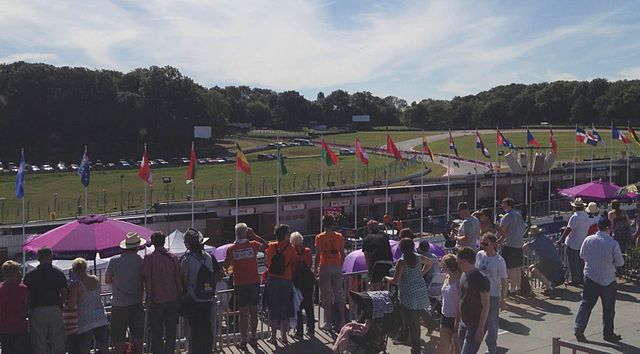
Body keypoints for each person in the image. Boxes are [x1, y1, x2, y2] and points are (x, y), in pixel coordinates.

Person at [574, 218, 625, 343]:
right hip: (607, 278)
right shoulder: (613, 244)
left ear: (598, 227)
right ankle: (608, 333)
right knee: (608, 308)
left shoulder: (588, 240)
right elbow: (620, 262)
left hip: (590, 276)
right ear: (609, 228)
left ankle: (579, 329)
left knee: (586, 304)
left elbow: (582, 255)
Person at [383, 238, 432, 354]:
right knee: (417, 318)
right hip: (420, 290)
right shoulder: (418, 257)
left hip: (408, 294)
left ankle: (416, 348)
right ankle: (417, 344)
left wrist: (386, 278)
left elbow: (395, 280)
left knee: (412, 323)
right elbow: (429, 263)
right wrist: (421, 273)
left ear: (401, 248)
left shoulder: (402, 261)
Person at [224, 223, 267, 350]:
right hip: (253, 282)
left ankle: (243, 340)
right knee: (254, 312)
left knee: (243, 314)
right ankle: (253, 337)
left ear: (235, 233)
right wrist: (253, 235)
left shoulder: (231, 248)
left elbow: (226, 266)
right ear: (246, 232)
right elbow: (266, 245)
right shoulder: (253, 245)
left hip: (240, 284)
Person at [181, 227, 222, 354]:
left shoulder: (186, 259)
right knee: (208, 327)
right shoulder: (209, 257)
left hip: (193, 299)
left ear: (187, 243)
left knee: (194, 328)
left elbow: (183, 279)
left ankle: (193, 351)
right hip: (208, 297)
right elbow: (218, 275)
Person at [142, 231, 183, 354]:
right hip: (173, 298)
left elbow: (147, 280)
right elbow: (178, 278)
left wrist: (148, 298)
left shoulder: (149, 259)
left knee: (156, 331)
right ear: (164, 241)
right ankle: (170, 351)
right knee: (171, 330)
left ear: (153, 243)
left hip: (156, 300)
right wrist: (179, 296)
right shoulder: (173, 257)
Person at [105, 232, 145, 354]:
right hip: (137, 302)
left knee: (119, 336)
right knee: (137, 335)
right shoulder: (141, 261)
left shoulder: (114, 261)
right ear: (138, 246)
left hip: (119, 304)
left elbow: (107, 280)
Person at [24, 247, 68, 354]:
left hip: (37, 309)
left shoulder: (30, 275)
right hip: (55, 308)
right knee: (58, 342)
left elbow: (25, 295)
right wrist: (60, 304)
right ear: (51, 256)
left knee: (39, 342)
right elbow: (65, 293)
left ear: (38, 258)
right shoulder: (59, 273)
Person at [67, 258, 109, 354]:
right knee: (103, 346)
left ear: (74, 270)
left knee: (85, 348)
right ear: (86, 267)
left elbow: (71, 304)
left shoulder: (76, 285)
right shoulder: (95, 279)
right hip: (100, 317)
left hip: (85, 320)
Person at [265, 224, 297, 346]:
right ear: (285, 235)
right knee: (285, 308)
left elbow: (268, 263)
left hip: (273, 280)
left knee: (274, 308)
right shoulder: (291, 248)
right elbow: (294, 263)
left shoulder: (271, 246)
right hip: (286, 280)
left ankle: (273, 337)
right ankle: (284, 336)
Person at [475, 233, 508, 354]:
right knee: (478, 320)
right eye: (481, 243)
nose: (483, 246)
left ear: (493, 244)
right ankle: (474, 344)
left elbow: (504, 281)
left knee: (492, 322)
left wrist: (503, 300)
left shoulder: (499, 261)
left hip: (493, 295)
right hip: (479, 293)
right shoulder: (479, 255)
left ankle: (491, 348)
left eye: (485, 243)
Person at [314, 214, 346, 331]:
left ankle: (328, 323)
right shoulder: (339, 236)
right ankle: (342, 321)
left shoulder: (319, 237)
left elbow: (318, 255)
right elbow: (342, 253)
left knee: (327, 296)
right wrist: (340, 266)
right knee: (339, 294)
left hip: (325, 266)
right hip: (336, 265)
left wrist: (315, 269)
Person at [456, 247, 490, 354]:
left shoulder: (481, 279)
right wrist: (457, 322)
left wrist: (480, 328)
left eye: (459, 262)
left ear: (465, 262)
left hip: (475, 324)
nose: (458, 265)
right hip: (463, 322)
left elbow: (486, 305)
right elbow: (461, 298)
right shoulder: (463, 275)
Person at [496, 197, 527, 294]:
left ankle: (512, 288)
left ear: (508, 205)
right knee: (517, 267)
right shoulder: (518, 214)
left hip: (509, 244)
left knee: (510, 268)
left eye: (503, 204)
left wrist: (498, 241)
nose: (502, 205)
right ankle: (518, 287)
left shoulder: (507, 216)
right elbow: (524, 227)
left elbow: (502, 230)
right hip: (518, 243)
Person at [558, 198, 590, 286]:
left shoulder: (575, 217)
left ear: (574, 208)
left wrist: (561, 240)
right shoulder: (586, 216)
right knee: (581, 263)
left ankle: (574, 280)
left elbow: (568, 229)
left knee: (573, 263)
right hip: (582, 242)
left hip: (572, 243)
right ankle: (581, 279)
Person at [0, 260, 29, 353]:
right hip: (20, 327)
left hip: (4, 327)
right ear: (17, 273)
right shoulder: (23, 289)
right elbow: (27, 305)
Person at [523, 225, 562, 295]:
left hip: (550, 262)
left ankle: (549, 285)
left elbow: (525, 247)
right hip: (554, 260)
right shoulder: (545, 237)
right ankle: (546, 282)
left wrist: (524, 243)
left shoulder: (537, 241)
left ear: (533, 235)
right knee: (531, 267)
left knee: (534, 270)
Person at [291, 231, 315, 339]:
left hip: (297, 283)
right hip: (308, 282)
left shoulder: (292, 254)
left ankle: (299, 332)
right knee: (309, 306)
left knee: (298, 307)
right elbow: (310, 264)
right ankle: (311, 330)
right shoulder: (308, 251)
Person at [437, 254, 462, 354]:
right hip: (445, 315)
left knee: (456, 346)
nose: (441, 266)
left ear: (448, 266)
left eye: (442, 264)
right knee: (443, 345)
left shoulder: (460, 280)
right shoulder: (447, 277)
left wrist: (457, 321)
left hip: (455, 317)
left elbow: (462, 302)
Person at [362, 219, 393, 290]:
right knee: (386, 288)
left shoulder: (367, 239)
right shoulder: (385, 236)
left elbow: (366, 256)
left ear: (369, 228)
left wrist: (369, 270)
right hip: (389, 263)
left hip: (377, 264)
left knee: (376, 289)